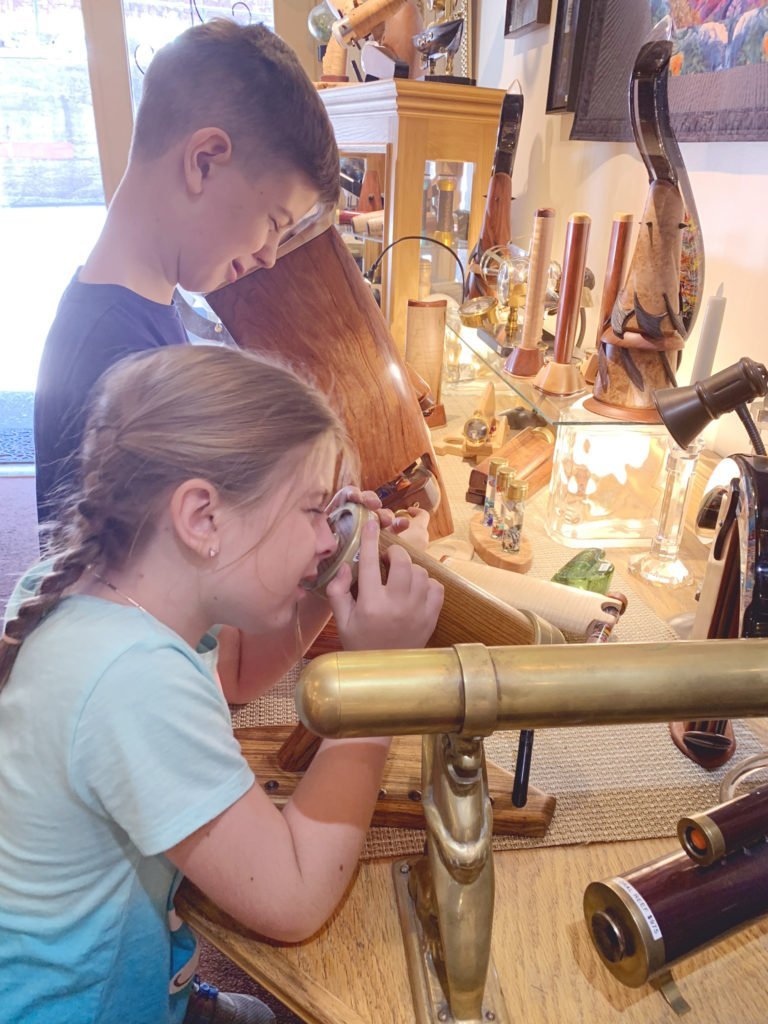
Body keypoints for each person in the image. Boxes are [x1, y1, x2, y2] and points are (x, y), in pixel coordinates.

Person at [0, 344, 444, 1024]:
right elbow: (294, 896)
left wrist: (323, 584)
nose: (328, 537)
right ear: (203, 518)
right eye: (311, 510)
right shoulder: (132, 681)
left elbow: (233, 675)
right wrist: (379, 688)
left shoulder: (100, 588)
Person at [34, 16, 339, 526]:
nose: (269, 254)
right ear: (204, 161)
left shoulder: (140, 306)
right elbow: (150, 596)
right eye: (273, 222)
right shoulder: (115, 365)